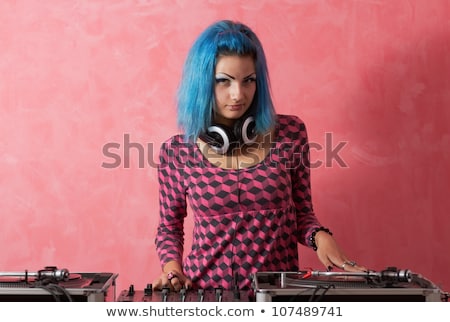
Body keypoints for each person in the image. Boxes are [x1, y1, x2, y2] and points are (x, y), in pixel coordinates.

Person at [152, 20, 366, 292]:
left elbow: (302, 215)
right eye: (223, 82)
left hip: (277, 296)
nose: (237, 94)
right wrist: (172, 271)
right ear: (202, 83)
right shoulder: (176, 152)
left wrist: (319, 236)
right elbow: (169, 228)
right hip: (205, 295)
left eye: (248, 81)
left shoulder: (290, 133)